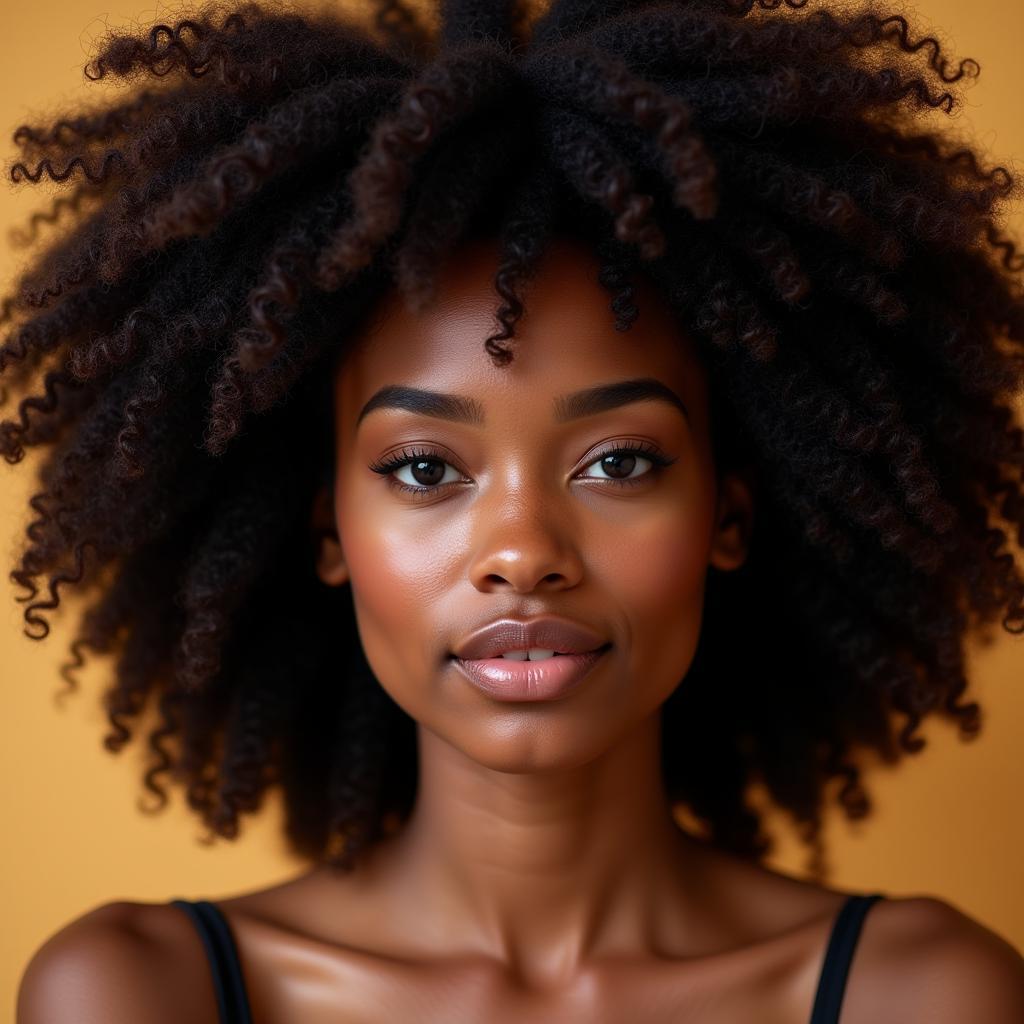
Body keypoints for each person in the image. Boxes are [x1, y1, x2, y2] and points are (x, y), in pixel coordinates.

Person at [10, 1, 1024, 1020]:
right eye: (421, 470)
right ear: (329, 535)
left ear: (727, 515)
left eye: (618, 461)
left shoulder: (915, 995)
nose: (522, 552)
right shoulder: (142, 992)